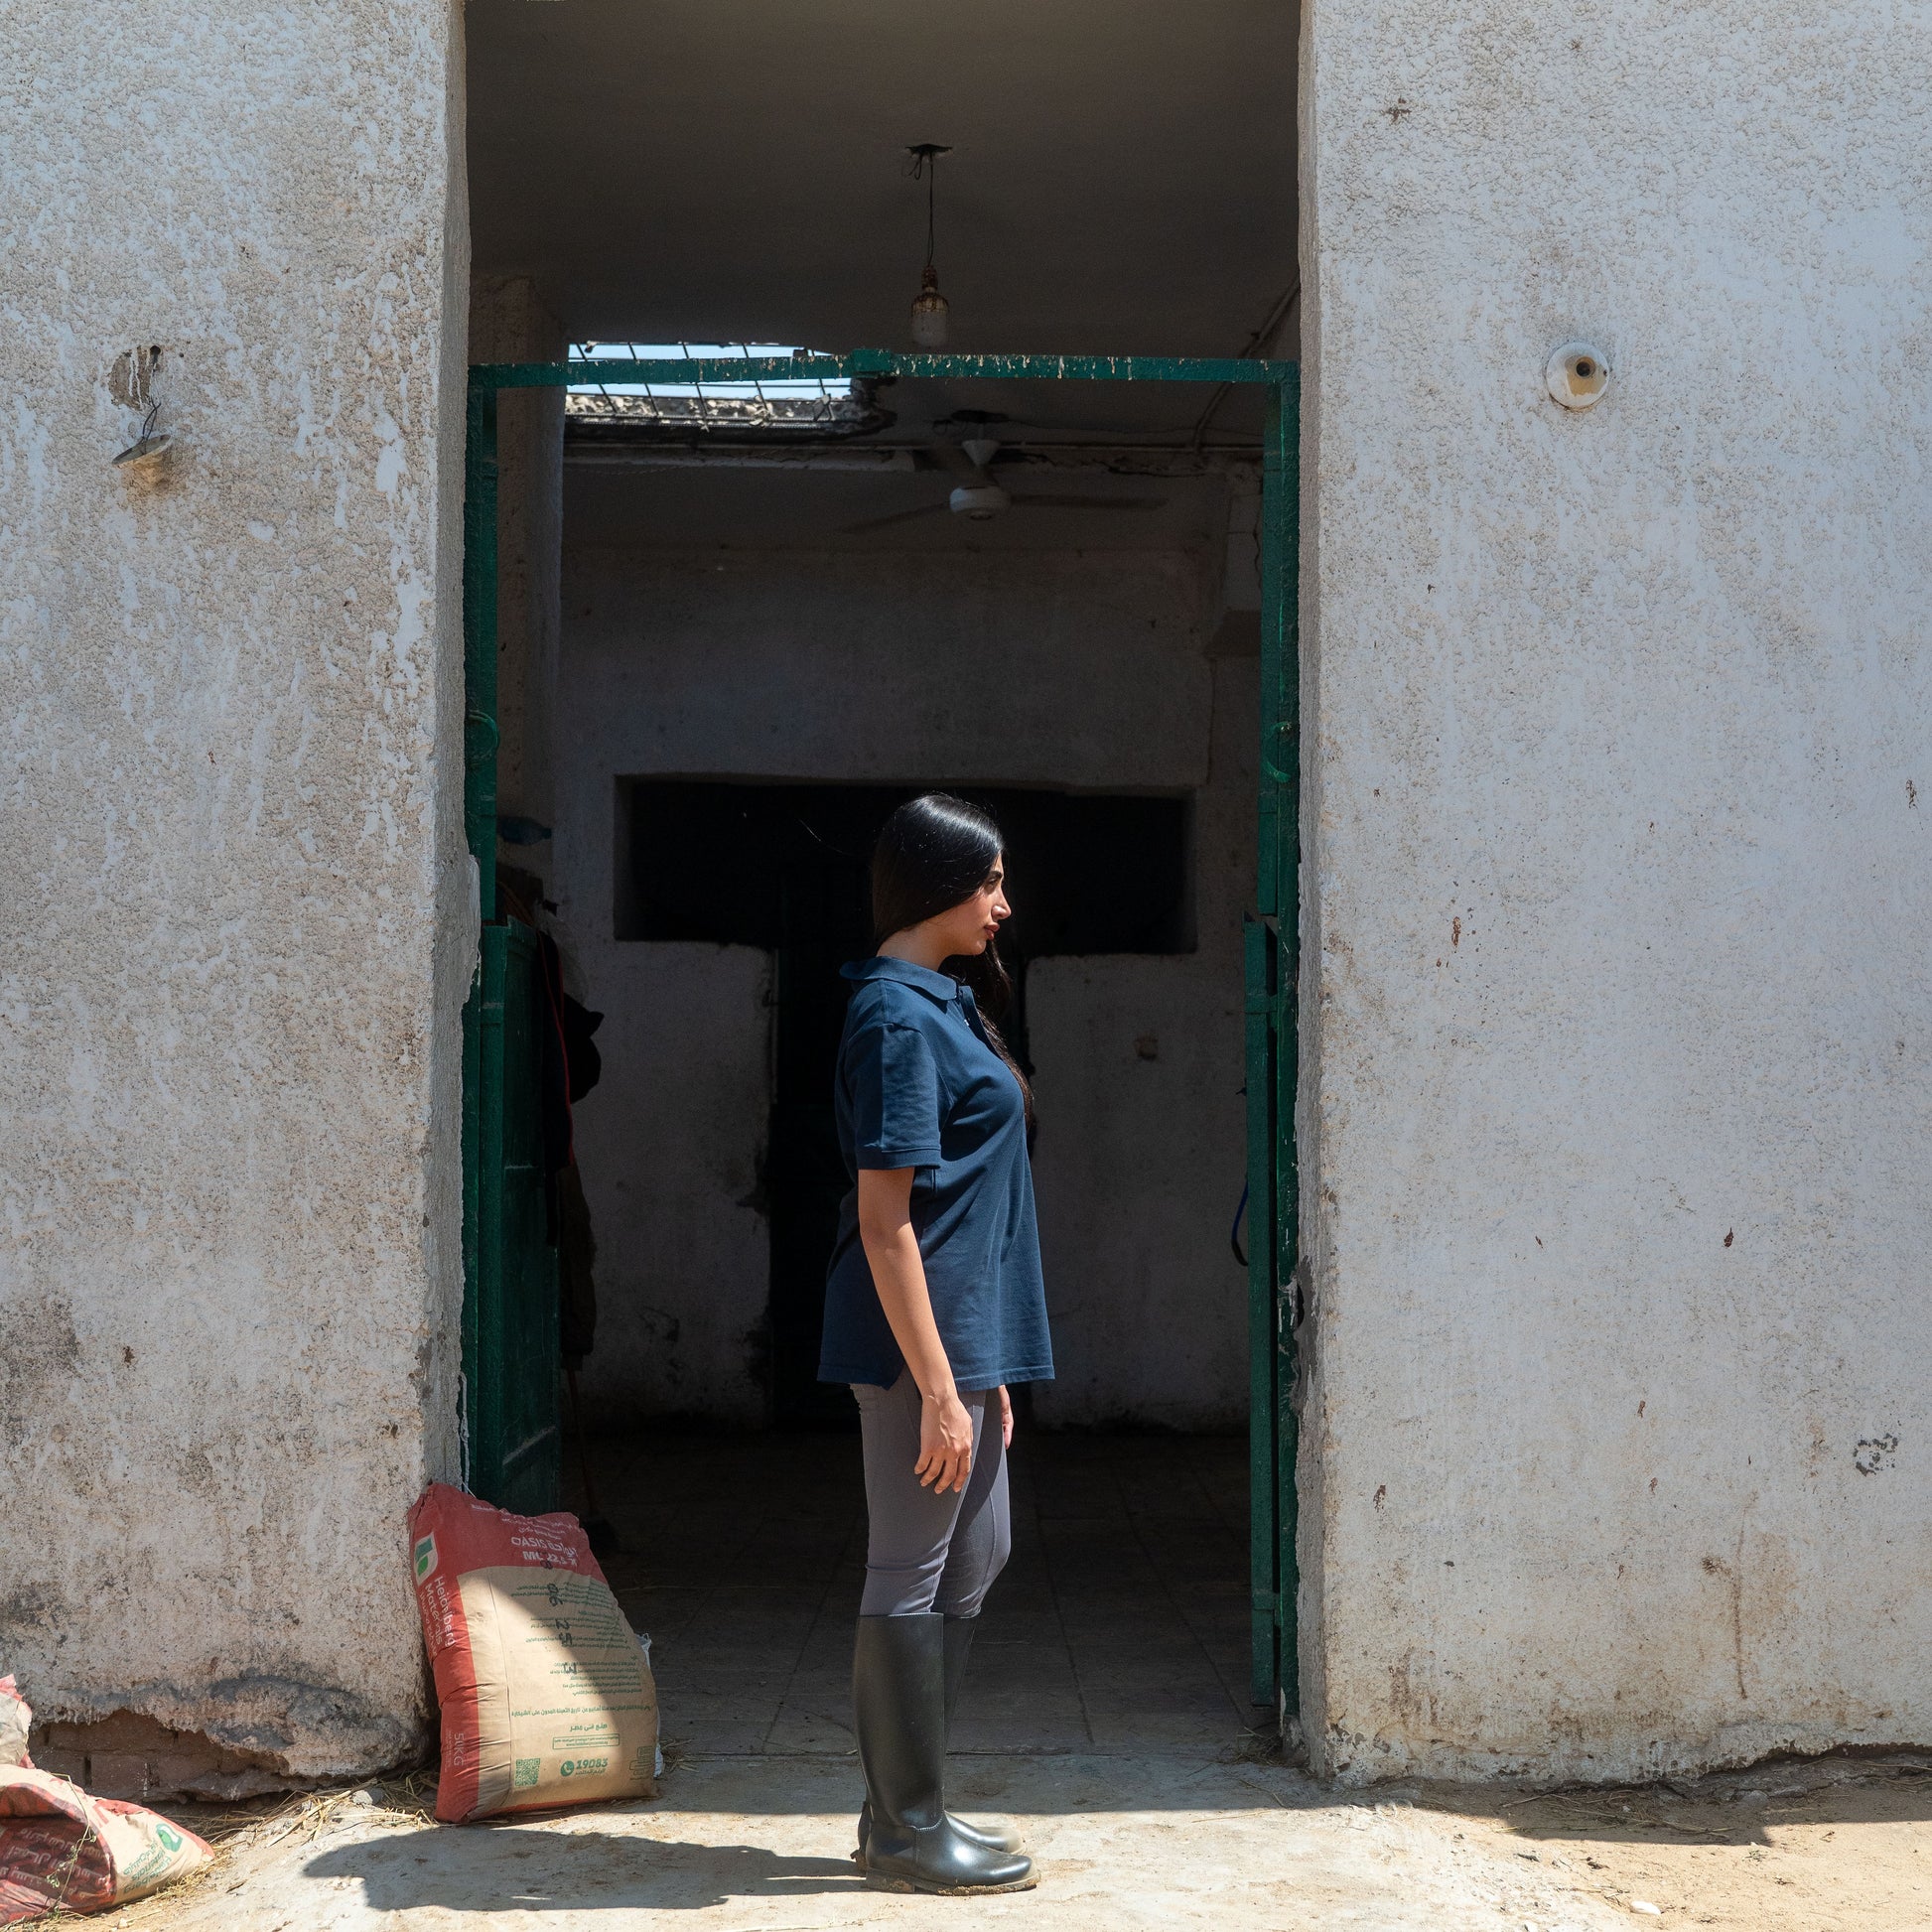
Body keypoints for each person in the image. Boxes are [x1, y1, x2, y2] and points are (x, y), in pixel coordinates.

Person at [819, 792, 1054, 1895]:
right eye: (988, 880)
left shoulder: (946, 1002)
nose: (1001, 902)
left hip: (966, 1345)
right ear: (935, 883)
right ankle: (904, 1825)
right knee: (908, 1567)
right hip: (914, 1350)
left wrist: (986, 1373)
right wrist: (938, 1387)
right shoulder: (893, 1017)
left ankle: (904, 1804)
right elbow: (884, 1219)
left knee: (979, 1551)